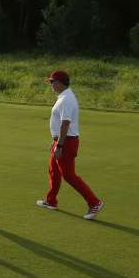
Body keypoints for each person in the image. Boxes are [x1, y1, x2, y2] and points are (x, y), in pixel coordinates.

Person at [37, 70, 104, 219]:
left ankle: (94, 202)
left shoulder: (66, 99)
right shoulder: (64, 97)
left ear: (60, 83)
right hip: (61, 140)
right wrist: (55, 141)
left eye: (52, 82)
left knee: (68, 175)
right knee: (53, 171)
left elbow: (65, 124)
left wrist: (59, 146)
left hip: (66, 142)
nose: (51, 85)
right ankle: (51, 201)